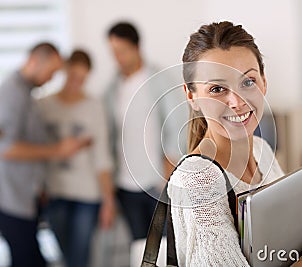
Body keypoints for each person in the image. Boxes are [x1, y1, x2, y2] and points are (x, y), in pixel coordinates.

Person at [167, 21, 302, 266]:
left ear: (264, 82)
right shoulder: (197, 181)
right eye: (217, 89)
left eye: (248, 82)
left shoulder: (261, 150)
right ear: (192, 97)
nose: (236, 101)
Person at [0, 42, 89, 267]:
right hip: (12, 200)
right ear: (34, 61)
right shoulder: (12, 93)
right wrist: (58, 151)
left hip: (23, 196)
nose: (51, 79)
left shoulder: (25, 93)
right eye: (51, 72)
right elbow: (6, 148)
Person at [105, 22, 187, 241]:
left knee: (169, 244)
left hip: (157, 182)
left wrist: (169, 170)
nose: (118, 58)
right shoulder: (112, 89)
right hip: (125, 184)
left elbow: (178, 124)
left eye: (122, 51)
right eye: (113, 52)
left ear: (137, 47)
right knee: (140, 247)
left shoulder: (160, 80)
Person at [37, 49, 115, 267]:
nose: (76, 83)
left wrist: (108, 201)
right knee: (63, 255)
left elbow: (102, 157)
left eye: (82, 79)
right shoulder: (43, 105)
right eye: (72, 76)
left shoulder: (94, 106)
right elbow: (36, 152)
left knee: (79, 258)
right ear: (63, 71)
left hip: (87, 196)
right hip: (54, 192)